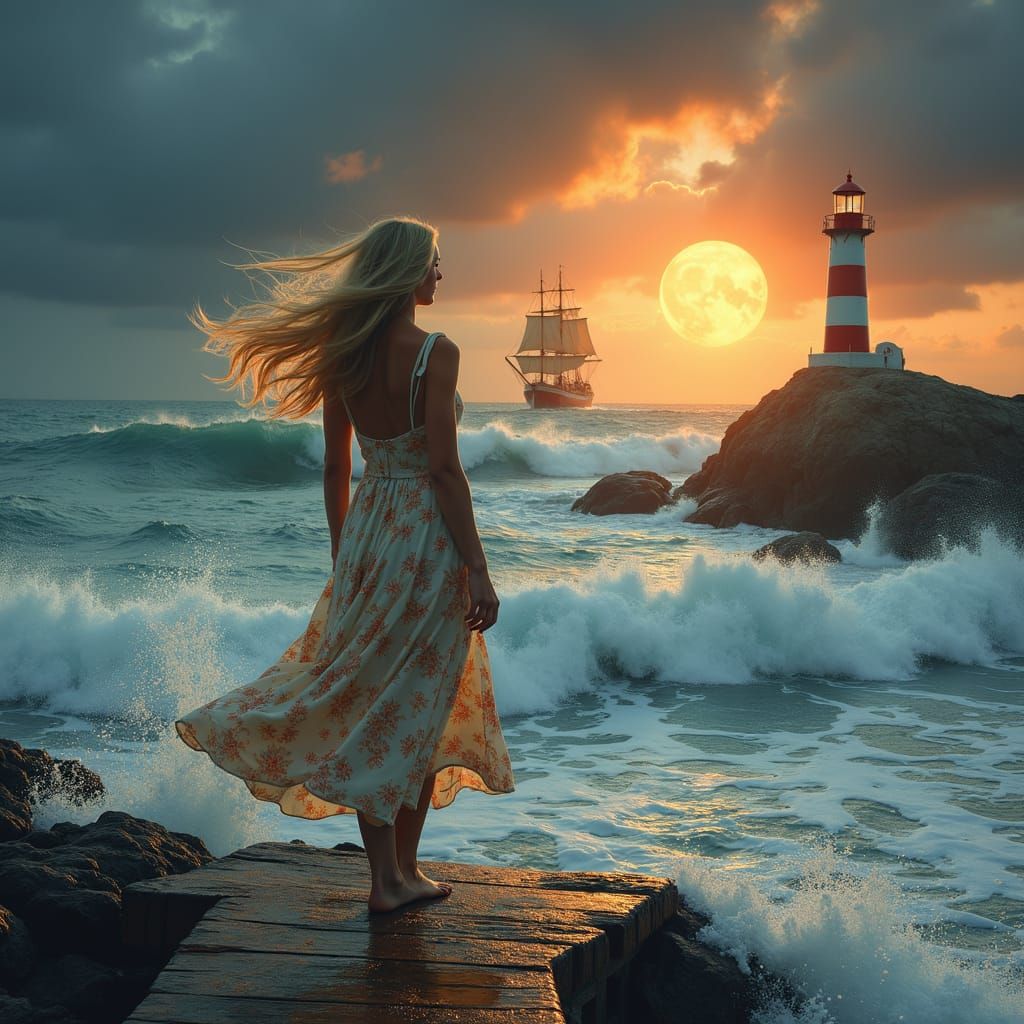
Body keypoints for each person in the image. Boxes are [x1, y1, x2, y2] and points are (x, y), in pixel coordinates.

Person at [174, 216, 516, 913]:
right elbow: (446, 471)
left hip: (369, 537)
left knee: (369, 705)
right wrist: (478, 568)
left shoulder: (345, 353)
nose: (439, 274)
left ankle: (389, 878)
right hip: (426, 541)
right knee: (417, 706)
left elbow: (336, 467)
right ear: (406, 271)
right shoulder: (436, 352)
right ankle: (401, 876)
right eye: (434, 262)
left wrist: (346, 553)